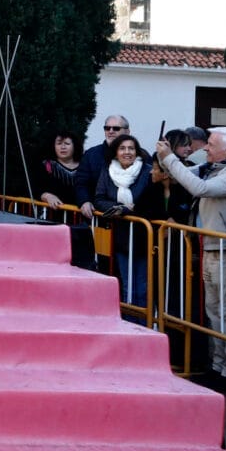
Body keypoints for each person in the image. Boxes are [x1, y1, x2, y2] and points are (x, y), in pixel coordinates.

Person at [155, 127, 226, 391]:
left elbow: (199, 187)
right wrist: (167, 159)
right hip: (211, 247)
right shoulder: (216, 164)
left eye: (210, 144)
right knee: (214, 312)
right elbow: (187, 173)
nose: (204, 148)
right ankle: (219, 366)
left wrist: (171, 159)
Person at [90, 134, 159, 315]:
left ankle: (144, 328)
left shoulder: (147, 171)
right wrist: (118, 208)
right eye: (122, 148)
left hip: (144, 236)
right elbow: (99, 198)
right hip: (121, 236)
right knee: (127, 286)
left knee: (143, 288)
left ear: (137, 152)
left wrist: (127, 211)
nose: (127, 152)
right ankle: (129, 328)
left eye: (131, 148)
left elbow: (150, 203)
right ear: (115, 152)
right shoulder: (108, 171)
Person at [35, 131, 95, 270]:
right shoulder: (47, 165)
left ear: (75, 146)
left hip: (81, 222)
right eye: (59, 143)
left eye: (67, 144)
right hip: (53, 219)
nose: (63, 147)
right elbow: (36, 187)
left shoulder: (84, 166)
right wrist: (46, 195)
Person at [75, 115, 130, 219]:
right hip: (97, 217)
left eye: (116, 128)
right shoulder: (91, 154)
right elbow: (81, 183)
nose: (111, 131)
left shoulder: (140, 155)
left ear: (127, 132)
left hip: (127, 219)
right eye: (107, 128)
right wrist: (84, 201)